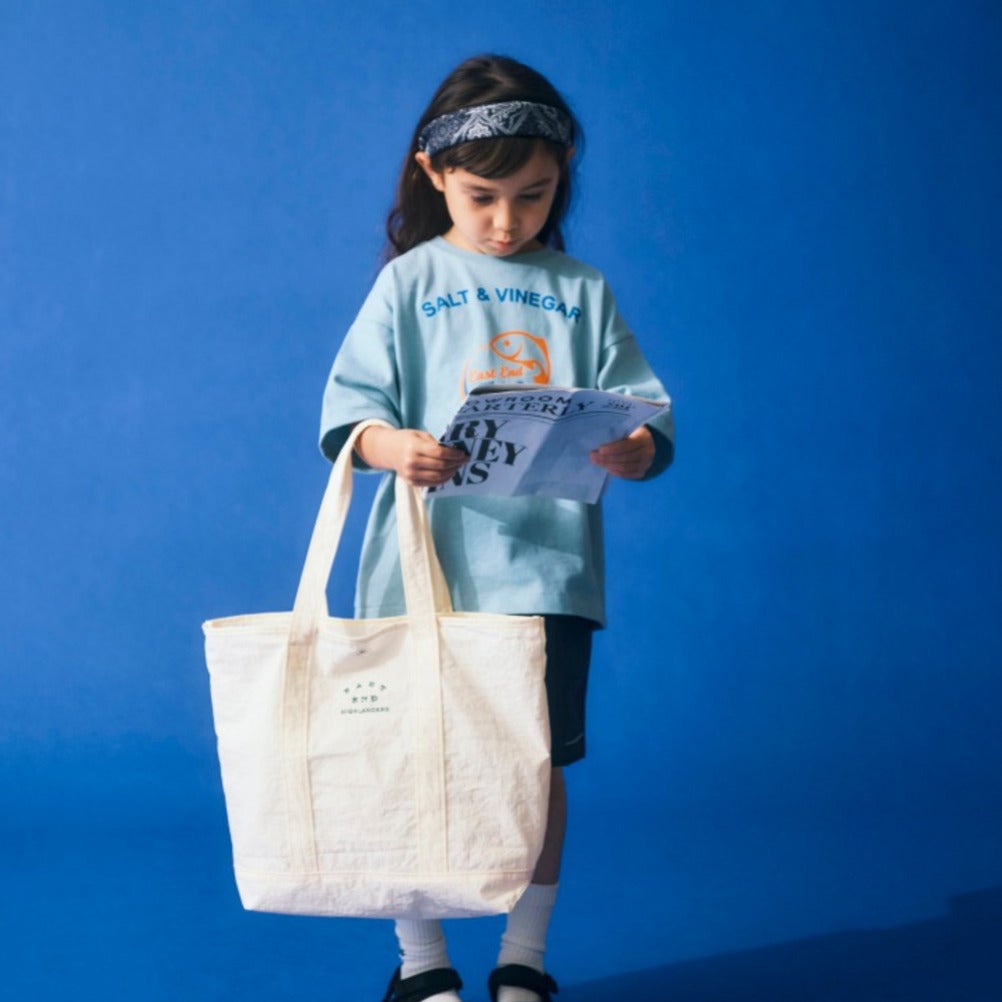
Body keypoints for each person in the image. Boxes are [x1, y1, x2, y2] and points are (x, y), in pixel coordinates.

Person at [320, 53, 674, 1002]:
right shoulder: (409, 284)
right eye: (482, 197)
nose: (508, 221)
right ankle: (422, 965)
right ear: (433, 173)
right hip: (423, 572)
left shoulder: (581, 290)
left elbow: (643, 411)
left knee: (536, 768)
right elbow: (349, 417)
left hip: (546, 572)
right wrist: (393, 445)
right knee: (411, 760)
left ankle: (525, 959)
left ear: (563, 178)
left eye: (534, 196)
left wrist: (640, 445)